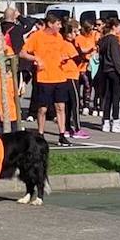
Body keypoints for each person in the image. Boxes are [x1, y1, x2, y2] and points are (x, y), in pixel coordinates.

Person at [20, 13, 73, 146]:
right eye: (58, 24)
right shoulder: (37, 37)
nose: (60, 27)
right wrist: (36, 58)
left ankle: (62, 134)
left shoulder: (59, 37)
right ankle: (41, 134)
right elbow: (22, 52)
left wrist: (64, 58)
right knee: (42, 109)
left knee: (61, 106)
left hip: (60, 76)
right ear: (50, 24)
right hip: (44, 78)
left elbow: (62, 52)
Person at [95, 17, 120, 133]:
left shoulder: (103, 39)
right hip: (115, 71)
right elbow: (117, 58)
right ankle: (115, 122)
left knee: (108, 98)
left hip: (105, 71)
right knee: (116, 98)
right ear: (114, 27)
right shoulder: (113, 40)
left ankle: (105, 122)